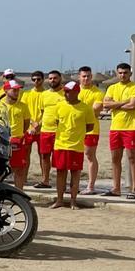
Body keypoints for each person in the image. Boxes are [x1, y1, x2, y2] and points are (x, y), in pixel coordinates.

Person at [102, 63, 135, 199]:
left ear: (130, 73)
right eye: (120, 72)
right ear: (116, 73)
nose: (122, 75)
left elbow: (132, 106)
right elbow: (105, 104)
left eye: (125, 72)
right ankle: (116, 188)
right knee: (115, 158)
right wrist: (122, 102)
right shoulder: (112, 88)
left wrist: (115, 105)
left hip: (131, 127)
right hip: (115, 127)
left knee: (132, 158)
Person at [51, 81, 95, 209]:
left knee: (75, 174)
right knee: (60, 173)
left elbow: (90, 126)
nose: (65, 94)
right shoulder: (59, 106)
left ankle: (73, 201)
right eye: (64, 91)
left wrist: (78, 133)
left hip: (76, 146)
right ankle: (59, 200)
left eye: (68, 91)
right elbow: (56, 122)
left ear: (76, 92)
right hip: (60, 145)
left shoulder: (86, 108)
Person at [0, 80, 33, 188]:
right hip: (2, 141)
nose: (16, 92)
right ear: (6, 90)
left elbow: (26, 124)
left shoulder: (23, 106)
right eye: (14, 90)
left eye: (18, 90)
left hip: (17, 141)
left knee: (19, 169)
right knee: (0, 170)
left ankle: (19, 194)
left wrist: (18, 135)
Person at [77, 66, 106, 194]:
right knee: (74, 156)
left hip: (91, 129)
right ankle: (74, 185)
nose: (86, 78)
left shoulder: (98, 92)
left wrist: (77, 111)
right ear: (79, 77)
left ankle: (91, 185)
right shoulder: (73, 90)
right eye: (84, 76)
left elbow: (95, 110)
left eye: (88, 76)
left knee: (89, 155)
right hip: (74, 129)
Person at [33, 70, 64, 189]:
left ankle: (61, 183)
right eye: (50, 78)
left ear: (60, 78)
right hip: (45, 130)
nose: (53, 80)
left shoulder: (65, 93)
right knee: (44, 156)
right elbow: (42, 112)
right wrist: (38, 125)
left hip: (60, 131)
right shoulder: (44, 95)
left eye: (55, 78)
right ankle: (45, 180)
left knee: (59, 158)